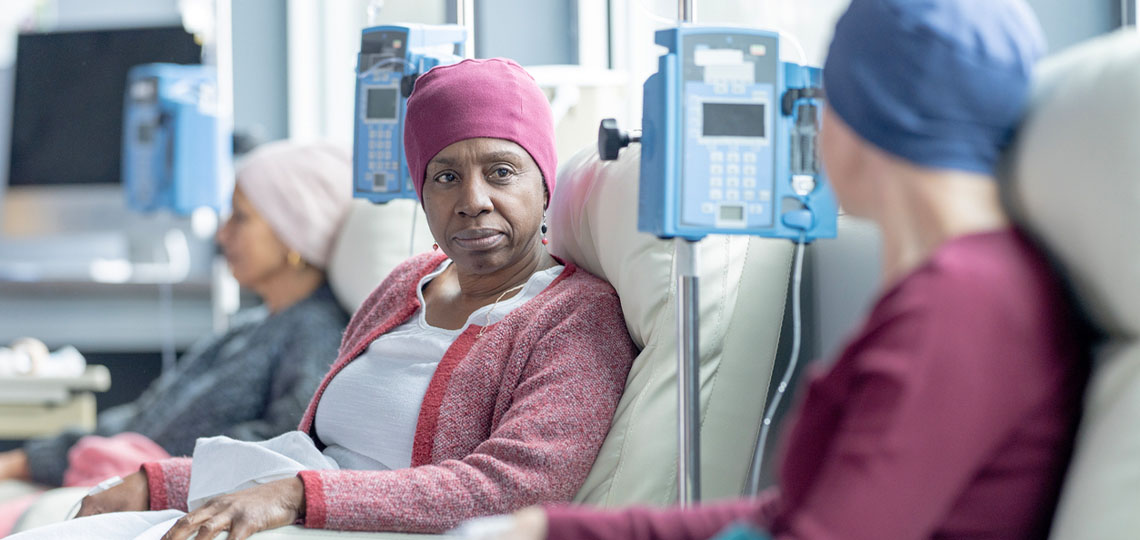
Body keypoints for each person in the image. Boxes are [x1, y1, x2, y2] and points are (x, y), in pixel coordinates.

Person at [492, 1, 1090, 539]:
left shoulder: (962, 306)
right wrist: (551, 528)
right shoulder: (969, 284)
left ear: (863, 116)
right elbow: (793, 514)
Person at [10, 58, 637, 540]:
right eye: (446, 176)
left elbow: (513, 485)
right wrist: (160, 483)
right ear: (423, 195)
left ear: (544, 182)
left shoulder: (574, 315)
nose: (472, 198)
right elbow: (305, 448)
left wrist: (296, 499)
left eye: (501, 170)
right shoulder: (404, 285)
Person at [0, 140, 353, 489]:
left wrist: (159, 473)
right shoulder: (249, 329)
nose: (222, 233)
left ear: (294, 230)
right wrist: (26, 461)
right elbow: (143, 419)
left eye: (240, 217)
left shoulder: (317, 334)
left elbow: (284, 447)